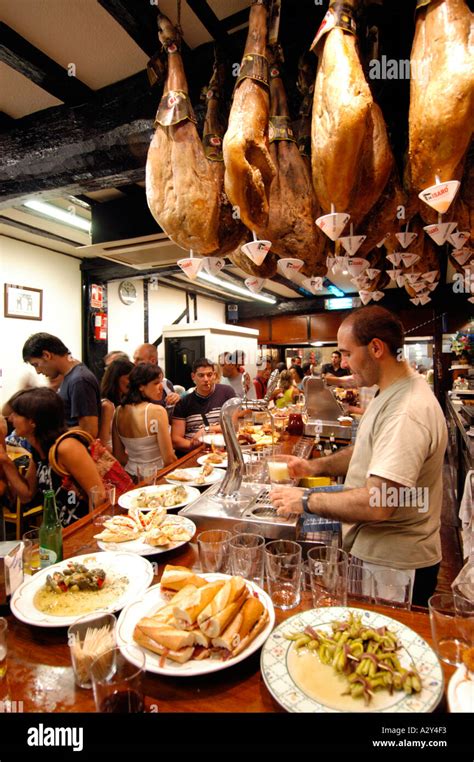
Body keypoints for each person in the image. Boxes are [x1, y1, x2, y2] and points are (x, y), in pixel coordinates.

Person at [270, 305, 448, 607]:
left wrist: (303, 501)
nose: (345, 363)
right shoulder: (390, 391)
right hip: (380, 554)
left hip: (393, 566)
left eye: (347, 353)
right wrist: (312, 465)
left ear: (376, 348)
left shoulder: (406, 411)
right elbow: (365, 451)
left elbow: (380, 503)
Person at [0, 388, 104, 526]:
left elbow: (98, 495)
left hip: (80, 529)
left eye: (17, 414)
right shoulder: (39, 450)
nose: (11, 418)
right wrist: (5, 460)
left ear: (32, 422)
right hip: (61, 530)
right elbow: (27, 495)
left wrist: (89, 534)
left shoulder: (66, 447)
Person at [22, 333, 101, 438]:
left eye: (36, 365)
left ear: (46, 355)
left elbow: (89, 431)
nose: (38, 371)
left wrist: (46, 433)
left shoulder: (79, 380)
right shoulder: (70, 376)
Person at [112, 364, 176, 478]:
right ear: (141, 386)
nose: (161, 387)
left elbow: (119, 456)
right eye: (156, 383)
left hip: (131, 476)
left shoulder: (118, 412)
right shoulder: (157, 411)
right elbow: (169, 459)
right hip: (157, 476)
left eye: (161, 382)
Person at [171, 358, 235, 452]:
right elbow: (176, 440)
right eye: (201, 375)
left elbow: (233, 425)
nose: (206, 379)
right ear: (193, 376)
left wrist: (206, 429)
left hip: (222, 449)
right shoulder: (184, 402)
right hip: (193, 451)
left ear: (214, 375)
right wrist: (194, 445)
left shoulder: (226, 392)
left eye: (209, 375)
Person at [99, 359, 134, 449]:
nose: (132, 383)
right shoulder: (107, 406)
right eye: (129, 378)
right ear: (116, 378)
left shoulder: (124, 402)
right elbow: (103, 443)